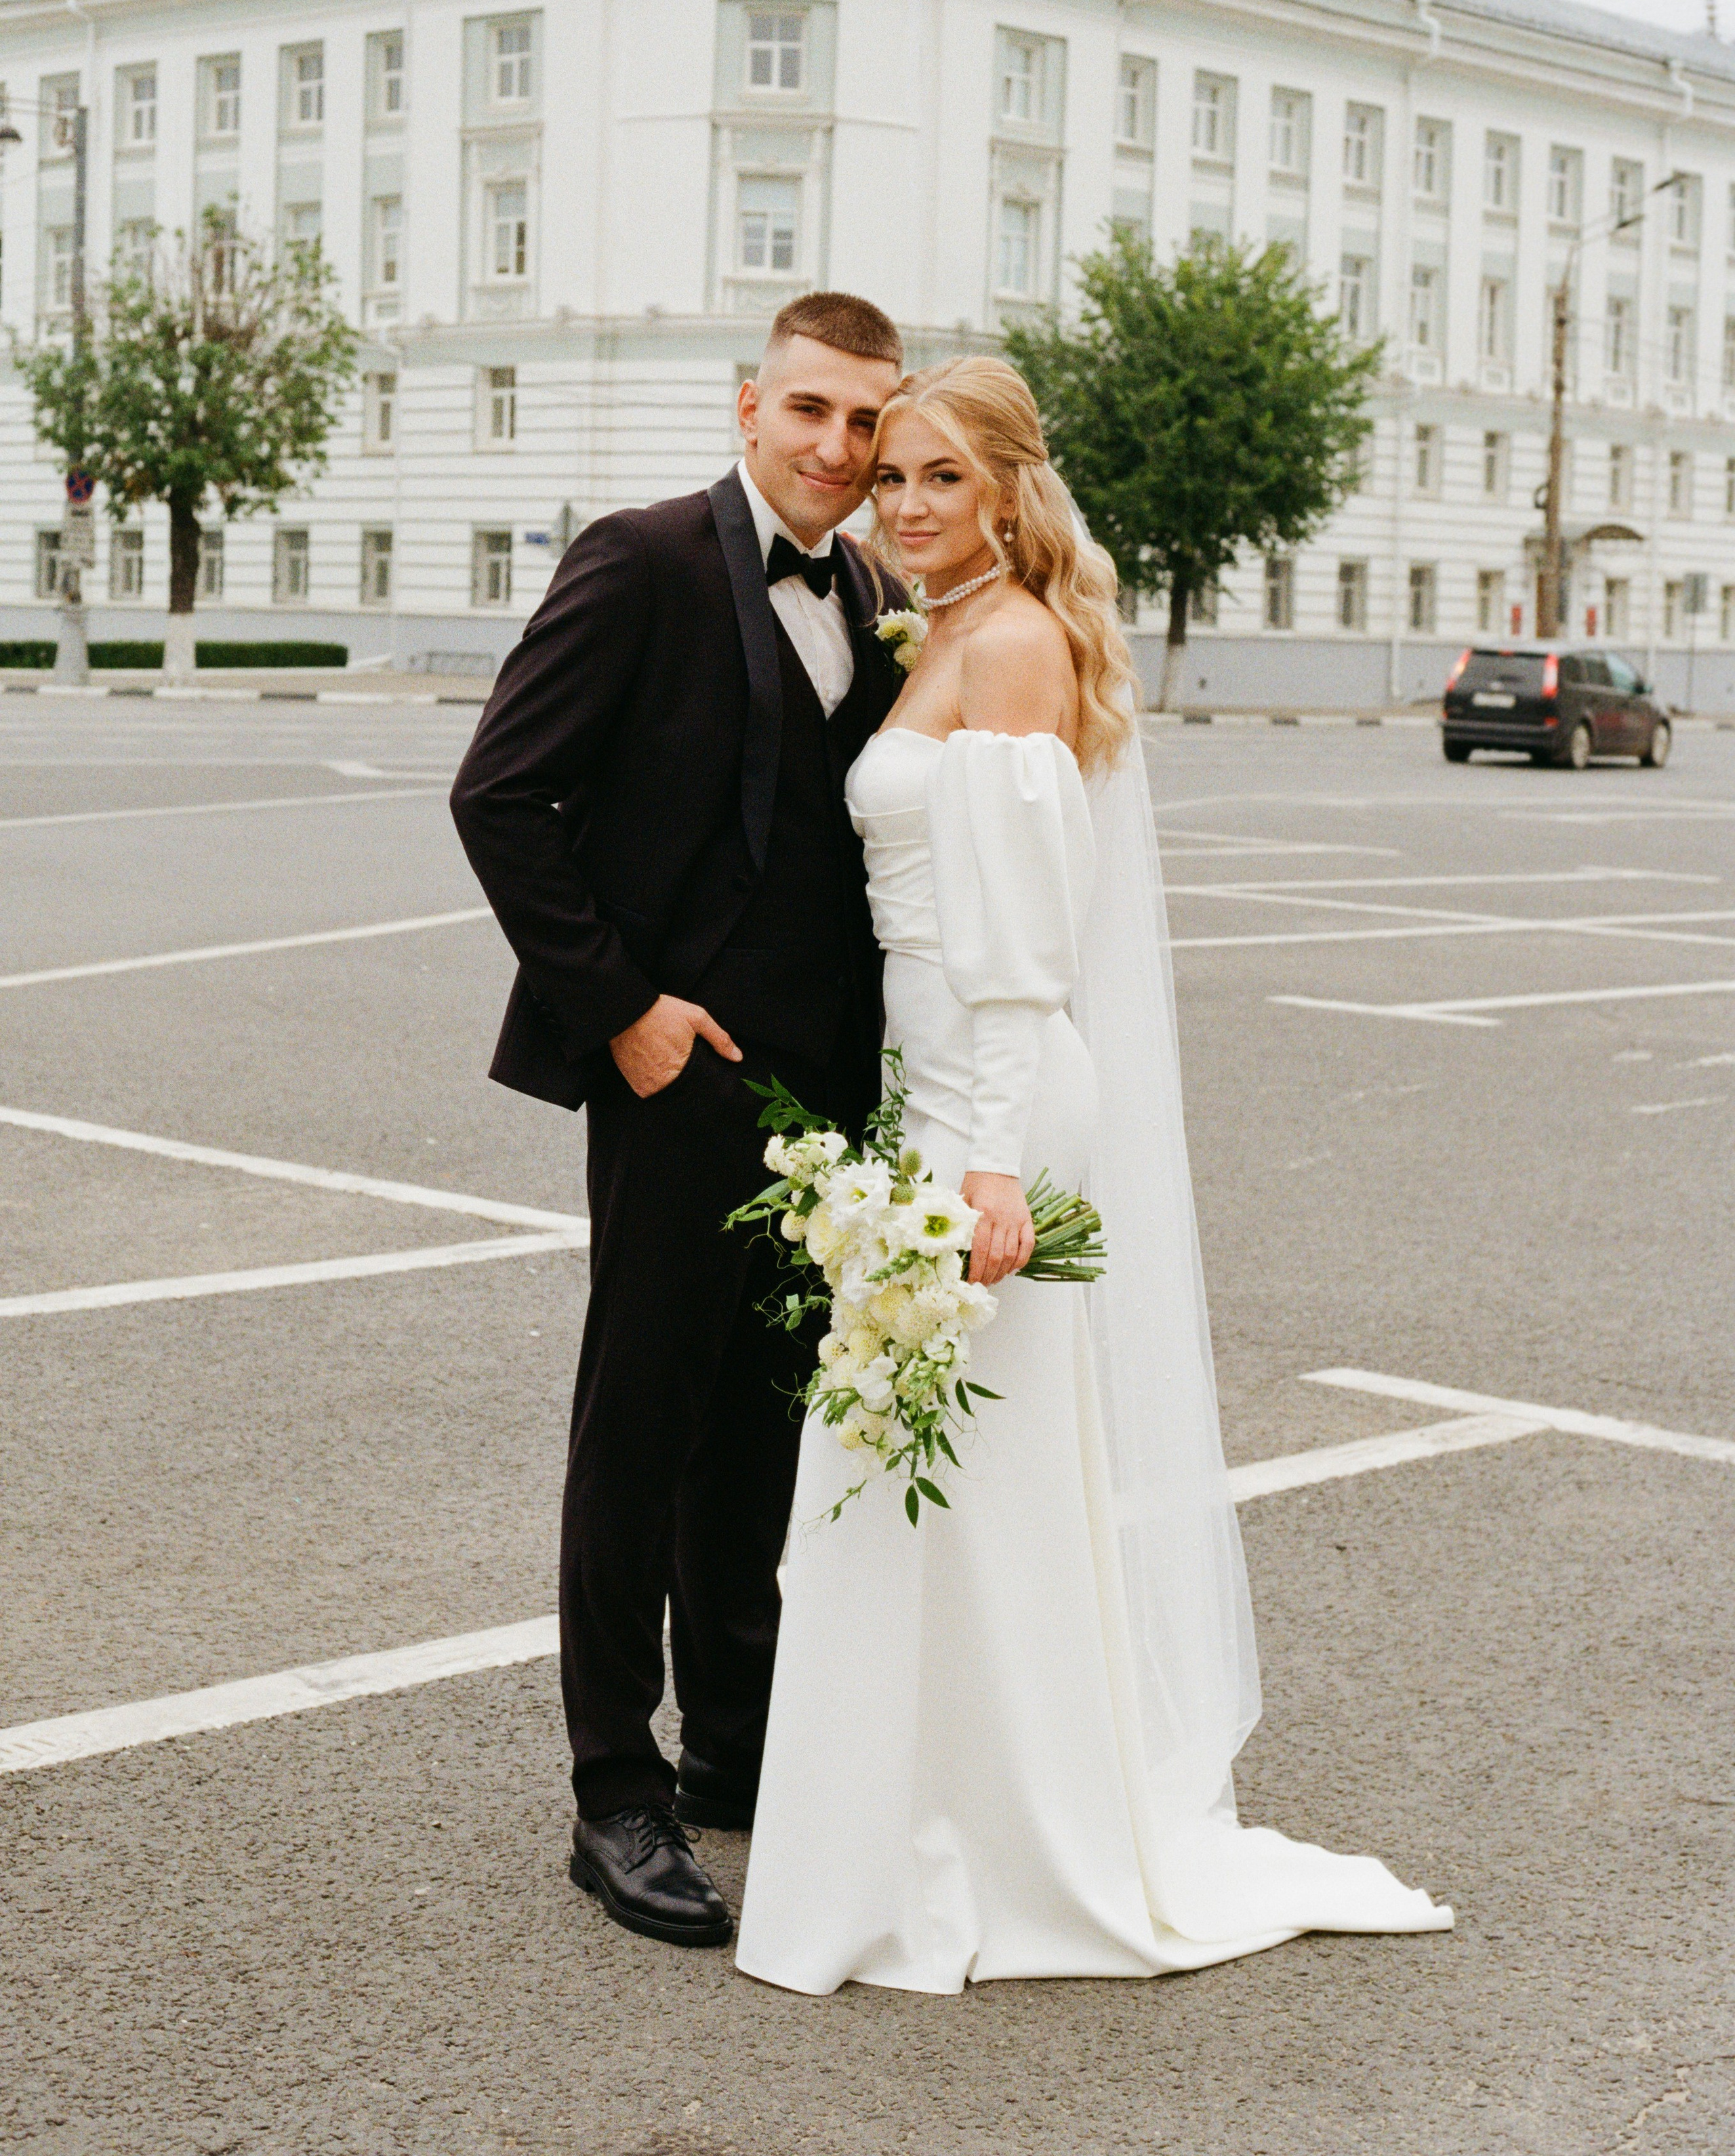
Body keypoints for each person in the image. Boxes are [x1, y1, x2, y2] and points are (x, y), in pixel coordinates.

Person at [735, 356, 1452, 1992]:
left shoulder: (1009, 645)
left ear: (1007, 488)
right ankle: (923, 1825)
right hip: (931, 1093)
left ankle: (992, 1842)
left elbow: (1023, 957)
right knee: (926, 1481)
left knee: (923, 1472)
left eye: (940, 475)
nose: (904, 502)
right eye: (891, 476)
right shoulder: (948, 627)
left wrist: (986, 1168)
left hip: (987, 1107)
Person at [449, 291, 906, 1949]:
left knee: (760, 1427)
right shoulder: (638, 559)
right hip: (677, 1075)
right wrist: (624, 1010)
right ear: (747, 403)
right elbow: (500, 791)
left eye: (865, 420)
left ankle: (730, 1737)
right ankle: (614, 1792)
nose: (837, 447)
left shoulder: (873, 588)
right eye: (810, 408)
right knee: (638, 1428)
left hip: (824, 1096)